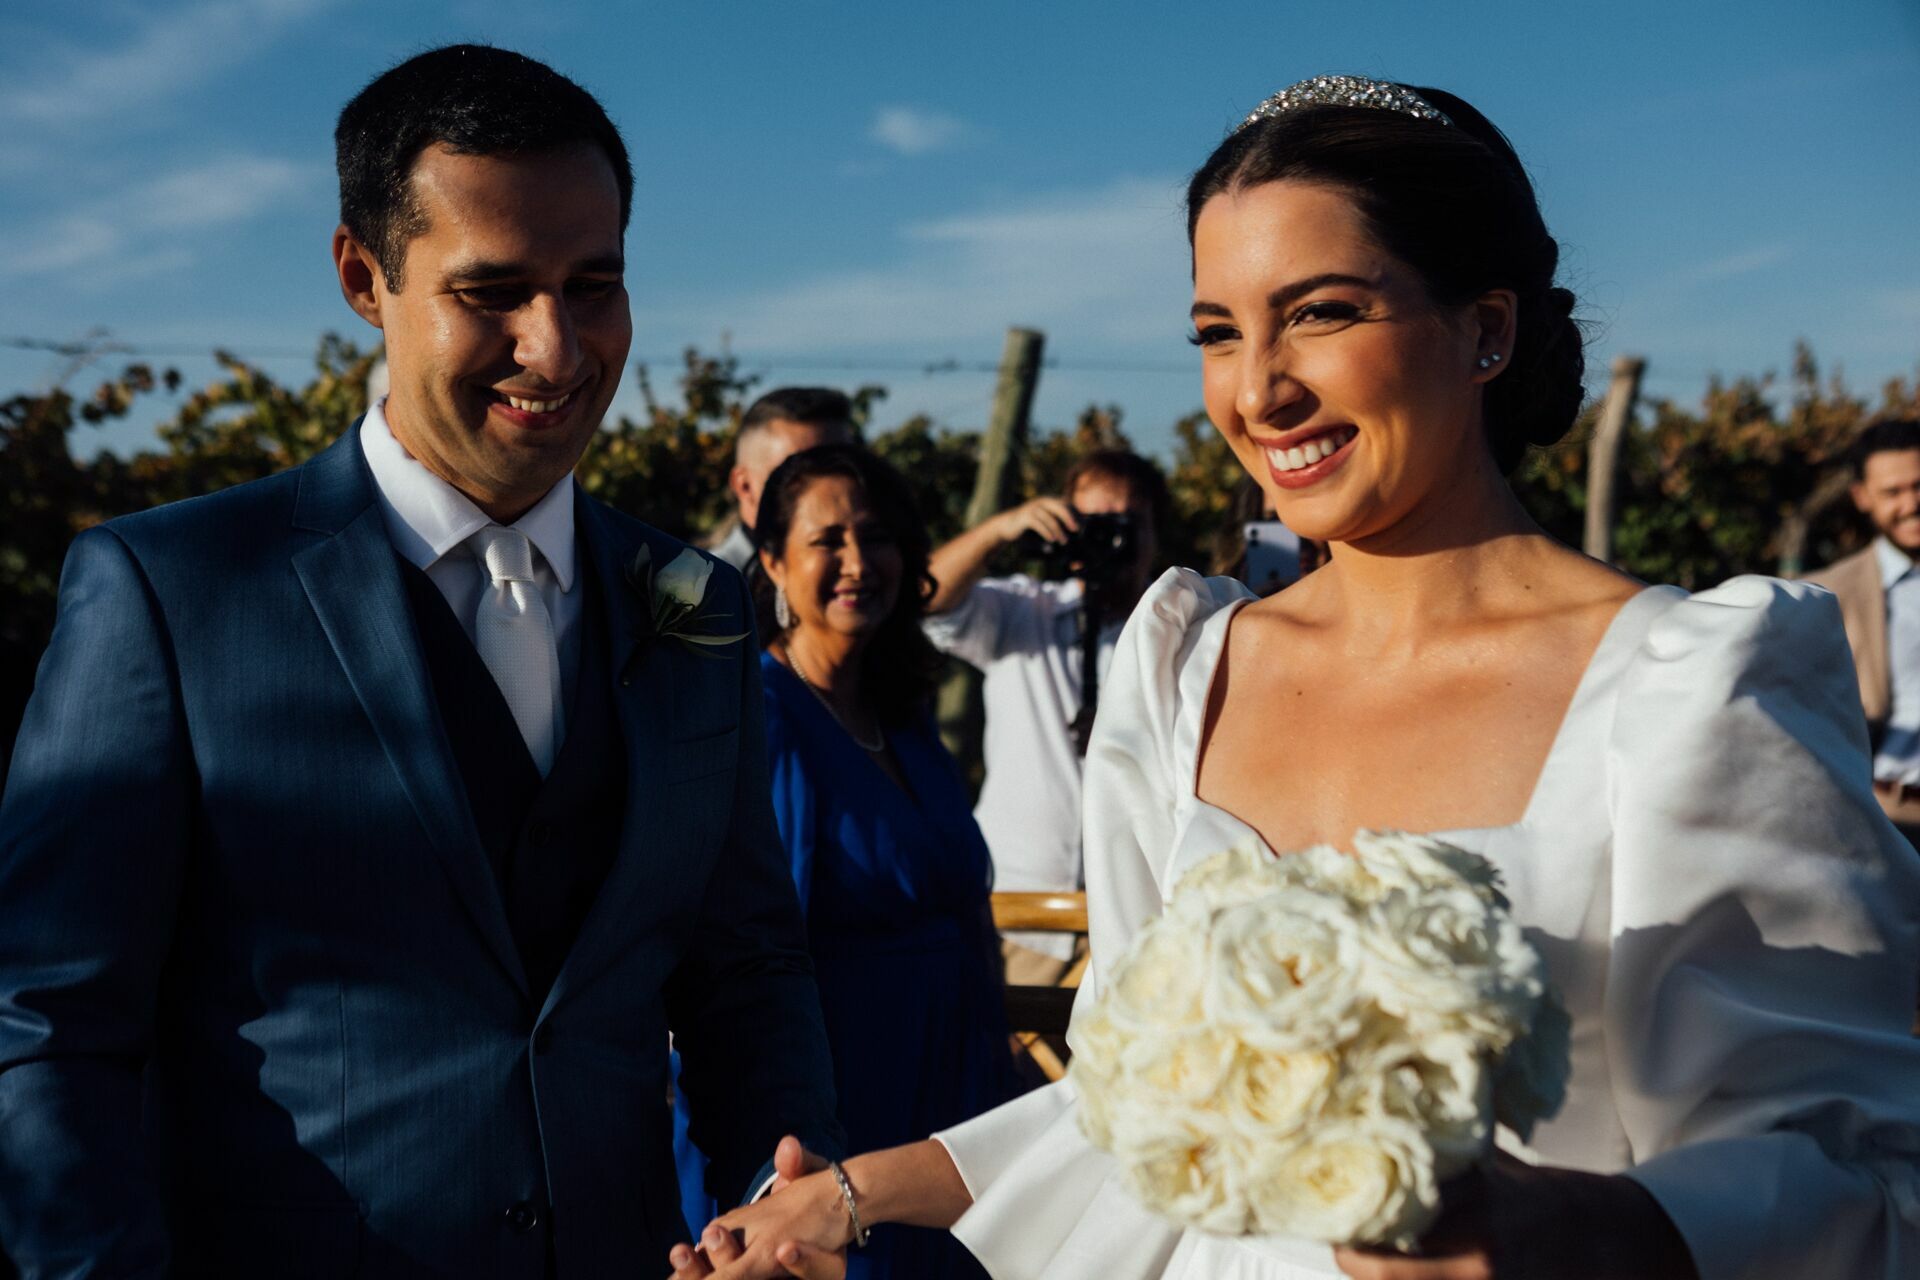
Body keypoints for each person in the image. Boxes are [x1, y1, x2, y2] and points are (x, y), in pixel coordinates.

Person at [665, 76, 1920, 1280]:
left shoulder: (1693, 686)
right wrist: (840, 1200)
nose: (1257, 390)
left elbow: (1859, 1174)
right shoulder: (1184, 669)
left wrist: (1601, 1231)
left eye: (1320, 312)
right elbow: (1128, 1107)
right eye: (1219, 331)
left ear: (1486, 328)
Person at [0, 44, 841, 1275]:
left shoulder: (697, 604)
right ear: (363, 274)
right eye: (492, 290)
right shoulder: (172, 593)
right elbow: (48, 1019)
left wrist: (785, 1198)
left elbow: (745, 970)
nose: (555, 348)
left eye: (593, 283)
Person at [676, 444, 1017, 1279]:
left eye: (878, 536)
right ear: (773, 563)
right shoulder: (764, 716)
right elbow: (750, 958)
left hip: (959, 1095)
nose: (860, 562)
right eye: (829, 540)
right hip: (845, 1104)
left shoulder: (906, 718)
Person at [923, 449, 1172, 985]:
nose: (1113, 540)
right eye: (1095, 523)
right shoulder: (1021, 611)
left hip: (1136, 918)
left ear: (1153, 533)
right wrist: (1001, 529)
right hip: (1016, 912)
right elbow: (926, 599)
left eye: (1128, 523)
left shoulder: (1175, 633)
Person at [1805, 418, 1920, 845]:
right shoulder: (1825, 595)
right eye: (1893, 492)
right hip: (1890, 820)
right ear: (1862, 497)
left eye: (1918, 485)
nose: (1911, 503)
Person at [710, 388, 859, 571]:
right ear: (744, 486)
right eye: (797, 476)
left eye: (843, 470)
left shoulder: (879, 578)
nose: (828, 489)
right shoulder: (708, 589)